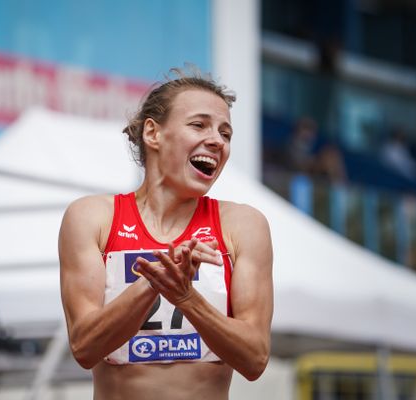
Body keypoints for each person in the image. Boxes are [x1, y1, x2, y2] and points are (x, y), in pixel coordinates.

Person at [59, 68, 273, 400]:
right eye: (199, 125)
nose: (217, 140)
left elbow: (255, 359)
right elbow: (84, 347)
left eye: (226, 133)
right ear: (153, 133)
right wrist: (155, 281)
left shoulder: (243, 225)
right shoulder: (93, 217)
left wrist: (188, 299)